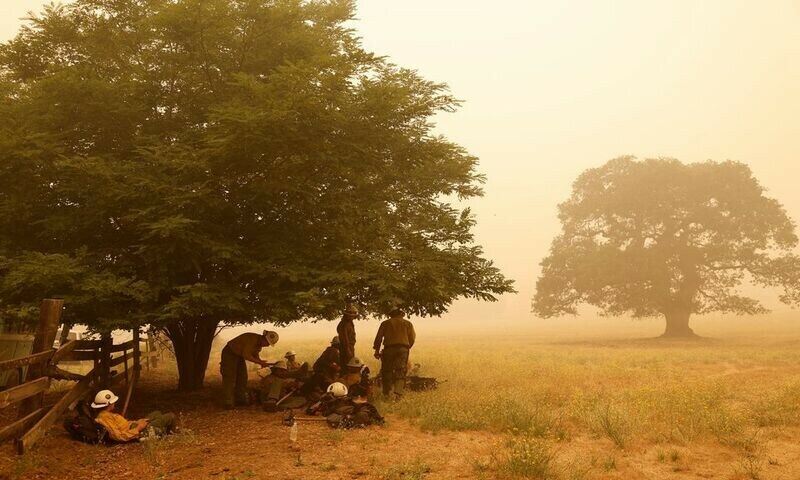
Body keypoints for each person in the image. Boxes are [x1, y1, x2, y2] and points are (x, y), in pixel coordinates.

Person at [220, 330, 279, 409]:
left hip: (239, 355)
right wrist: (259, 362)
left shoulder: (259, 345)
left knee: (243, 377)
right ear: (264, 338)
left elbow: (255, 354)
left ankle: (240, 400)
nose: (268, 345)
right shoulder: (252, 339)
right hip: (230, 353)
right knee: (229, 377)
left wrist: (261, 362)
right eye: (268, 343)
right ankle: (228, 403)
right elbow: (246, 355)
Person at [91, 389, 177, 442]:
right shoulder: (105, 417)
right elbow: (118, 436)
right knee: (170, 416)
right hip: (137, 430)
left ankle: (162, 430)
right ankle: (170, 435)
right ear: (109, 404)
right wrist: (138, 428)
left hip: (132, 425)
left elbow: (122, 425)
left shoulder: (104, 414)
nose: (114, 403)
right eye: (113, 401)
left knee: (156, 413)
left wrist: (137, 422)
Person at [373, 308, 415, 399]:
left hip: (389, 349)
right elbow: (412, 338)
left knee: (387, 370)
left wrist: (376, 350)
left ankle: (387, 393)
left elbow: (379, 338)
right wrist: (406, 347)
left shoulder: (385, 323)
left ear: (391, 314)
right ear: (401, 314)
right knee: (401, 370)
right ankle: (398, 394)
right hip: (403, 349)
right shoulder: (408, 324)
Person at [336, 304, 358, 370]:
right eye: (350, 315)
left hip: (350, 347)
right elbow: (344, 339)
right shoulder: (343, 324)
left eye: (353, 316)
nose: (352, 317)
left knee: (350, 365)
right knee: (346, 366)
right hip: (345, 348)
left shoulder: (350, 323)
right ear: (346, 315)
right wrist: (347, 349)